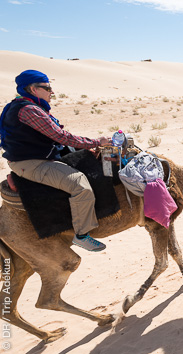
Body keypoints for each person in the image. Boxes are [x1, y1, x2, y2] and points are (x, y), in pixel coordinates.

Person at [0, 70, 110, 251]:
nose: (52, 92)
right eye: (47, 88)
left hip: (31, 157)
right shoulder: (29, 110)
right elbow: (61, 136)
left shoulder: (19, 106)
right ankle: (82, 235)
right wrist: (97, 142)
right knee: (80, 185)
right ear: (34, 89)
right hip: (32, 163)